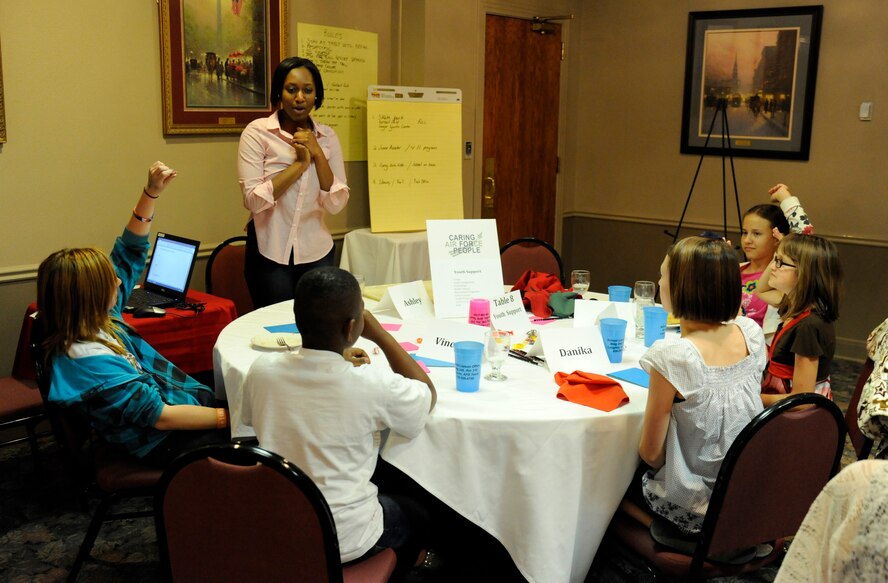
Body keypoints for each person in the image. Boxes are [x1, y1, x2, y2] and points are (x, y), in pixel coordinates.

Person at [242, 267, 437, 577]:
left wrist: (342, 350)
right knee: (417, 513)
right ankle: (411, 564)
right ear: (352, 328)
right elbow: (426, 396)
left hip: (280, 523)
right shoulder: (370, 383)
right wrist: (380, 334)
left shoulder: (261, 370)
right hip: (346, 538)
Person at [36, 162, 230, 467]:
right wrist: (233, 420)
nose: (118, 281)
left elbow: (128, 252)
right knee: (262, 441)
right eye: (108, 281)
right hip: (158, 442)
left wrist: (150, 194)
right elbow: (161, 418)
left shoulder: (96, 319)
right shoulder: (88, 362)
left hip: (175, 408)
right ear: (90, 297)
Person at [620, 237, 766, 543]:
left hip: (697, 503)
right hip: (746, 491)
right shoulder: (751, 333)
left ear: (681, 286)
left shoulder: (676, 356)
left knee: (609, 479)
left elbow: (651, 454)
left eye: (663, 275)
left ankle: (672, 535)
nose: (659, 282)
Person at [237, 56, 349, 308]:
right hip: (269, 252)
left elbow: (336, 203)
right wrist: (299, 164)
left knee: (318, 328)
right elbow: (253, 200)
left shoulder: (328, 137)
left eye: (308, 90)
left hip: (317, 251)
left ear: (316, 96)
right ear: (279, 92)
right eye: (292, 89)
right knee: (273, 332)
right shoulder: (258, 132)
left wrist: (318, 153)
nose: (300, 97)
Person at [758, 233, 842, 405]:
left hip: (794, 418)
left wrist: (752, 400)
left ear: (805, 273)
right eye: (774, 259)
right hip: (779, 400)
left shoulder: (808, 326)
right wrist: (782, 250)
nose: (773, 266)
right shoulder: (792, 306)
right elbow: (762, 290)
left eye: (780, 262)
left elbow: (802, 401)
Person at [739, 183, 813, 327]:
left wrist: (785, 197)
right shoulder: (735, 270)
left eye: (757, 233)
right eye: (744, 232)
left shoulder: (784, 276)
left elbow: (806, 237)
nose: (747, 240)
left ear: (776, 238)